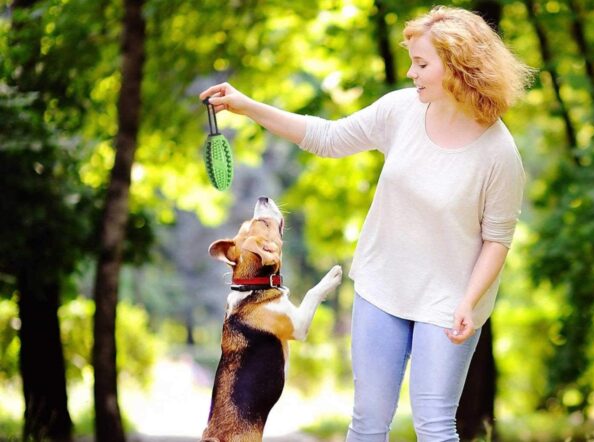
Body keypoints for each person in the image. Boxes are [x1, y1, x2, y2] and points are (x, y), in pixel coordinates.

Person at [200, 5, 533, 441]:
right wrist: (245, 106)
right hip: (382, 285)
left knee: (434, 426)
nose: (412, 73)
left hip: (450, 301)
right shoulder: (401, 110)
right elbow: (327, 137)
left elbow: (497, 239)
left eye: (422, 64)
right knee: (368, 423)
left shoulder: (498, 152)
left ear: (458, 66)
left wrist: (469, 302)